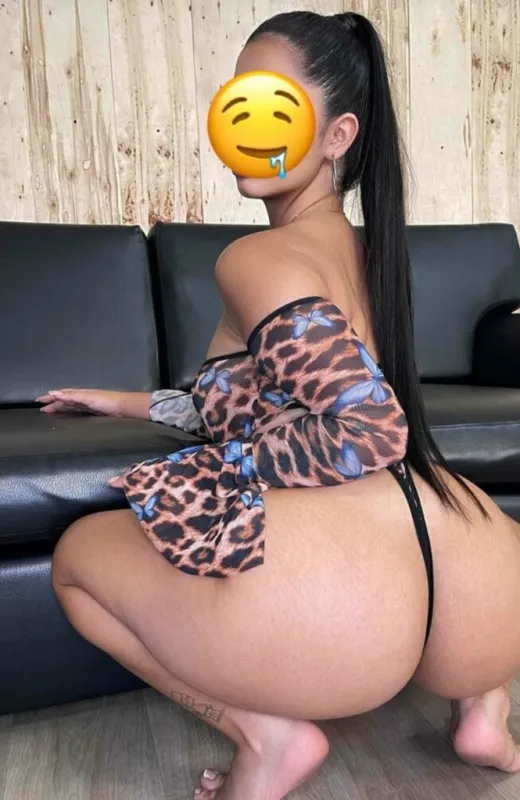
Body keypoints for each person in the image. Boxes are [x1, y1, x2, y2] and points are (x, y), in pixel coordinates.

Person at [41, 11, 520, 800]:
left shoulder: (259, 258)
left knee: (74, 564)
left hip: (356, 603)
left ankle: (265, 736)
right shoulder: (373, 254)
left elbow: (368, 428)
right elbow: (268, 398)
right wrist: (122, 401)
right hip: (479, 566)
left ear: (337, 136)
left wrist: (224, 466)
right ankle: (483, 711)